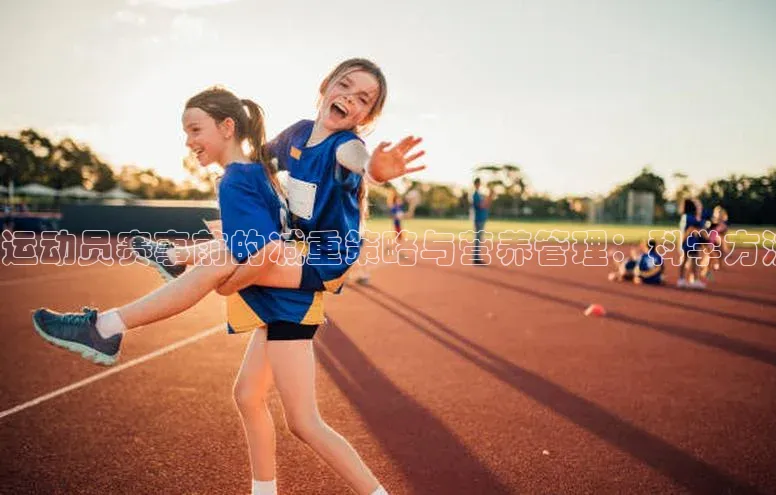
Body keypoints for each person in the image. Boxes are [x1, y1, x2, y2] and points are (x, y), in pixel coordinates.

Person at [34, 74, 416, 494]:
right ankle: (263, 490)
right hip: (296, 258)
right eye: (345, 86)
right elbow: (260, 161)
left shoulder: (345, 147)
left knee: (304, 420)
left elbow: (356, 158)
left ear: (368, 115)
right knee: (248, 395)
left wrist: (376, 171)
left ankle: (109, 324)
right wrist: (235, 159)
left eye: (365, 99)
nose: (351, 98)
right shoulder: (295, 136)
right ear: (326, 85)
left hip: (322, 259)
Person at [471, 177, 492, 265]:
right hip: (479, 219)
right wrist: (489, 196)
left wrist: (489, 197)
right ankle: (476, 258)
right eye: (478, 183)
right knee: (478, 239)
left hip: (482, 218)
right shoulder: (475, 194)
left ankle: (477, 257)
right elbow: (481, 205)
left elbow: (486, 205)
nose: (479, 184)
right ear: (476, 184)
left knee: (479, 239)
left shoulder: (479, 194)